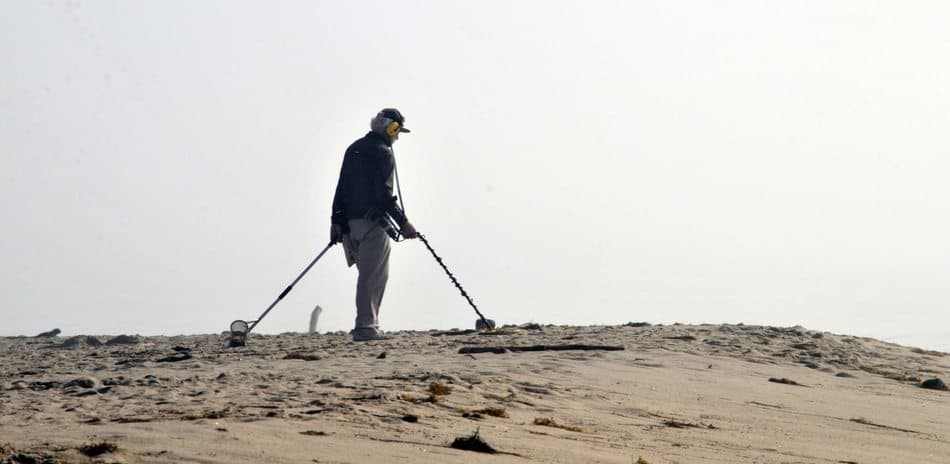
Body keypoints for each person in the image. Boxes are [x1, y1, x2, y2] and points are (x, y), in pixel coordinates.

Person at [330, 108, 418, 342]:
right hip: (372, 225)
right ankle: (366, 327)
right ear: (392, 128)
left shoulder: (354, 147)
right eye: (397, 131)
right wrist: (404, 223)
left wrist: (336, 221)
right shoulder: (383, 152)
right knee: (373, 276)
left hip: (350, 224)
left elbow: (341, 187)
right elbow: (383, 195)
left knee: (366, 276)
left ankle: (367, 324)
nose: (397, 137)